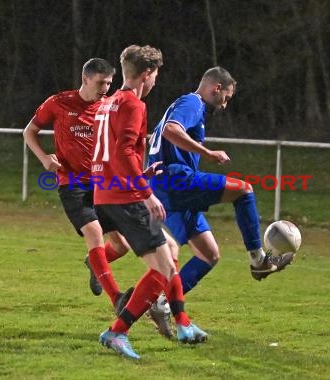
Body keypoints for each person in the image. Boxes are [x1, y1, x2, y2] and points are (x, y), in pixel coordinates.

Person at [93, 45, 207, 360]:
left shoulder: (107, 103)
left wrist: (140, 173)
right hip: (123, 196)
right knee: (166, 259)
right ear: (147, 74)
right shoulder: (133, 104)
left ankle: (183, 323)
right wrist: (146, 192)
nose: (156, 80)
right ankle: (118, 331)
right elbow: (124, 152)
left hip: (105, 193)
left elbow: (110, 153)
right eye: (155, 74)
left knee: (168, 253)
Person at [147, 66, 295, 301]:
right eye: (226, 98)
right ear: (216, 88)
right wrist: (207, 152)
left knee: (209, 255)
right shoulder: (193, 103)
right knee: (244, 190)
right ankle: (259, 260)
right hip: (176, 180)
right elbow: (170, 130)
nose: (225, 104)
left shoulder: (179, 106)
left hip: (162, 188)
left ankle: (162, 304)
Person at [23, 58, 131, 312]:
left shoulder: (109, 106)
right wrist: (43, 158)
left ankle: (94, 264)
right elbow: (29, 131)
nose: (105, 88)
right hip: (72, 183)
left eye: (109, 83)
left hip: (103, 184)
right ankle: (117, 299)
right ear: (85, 79)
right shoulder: (59, 103)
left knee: (121, 245)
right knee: (94, 232)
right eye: (101, 82)